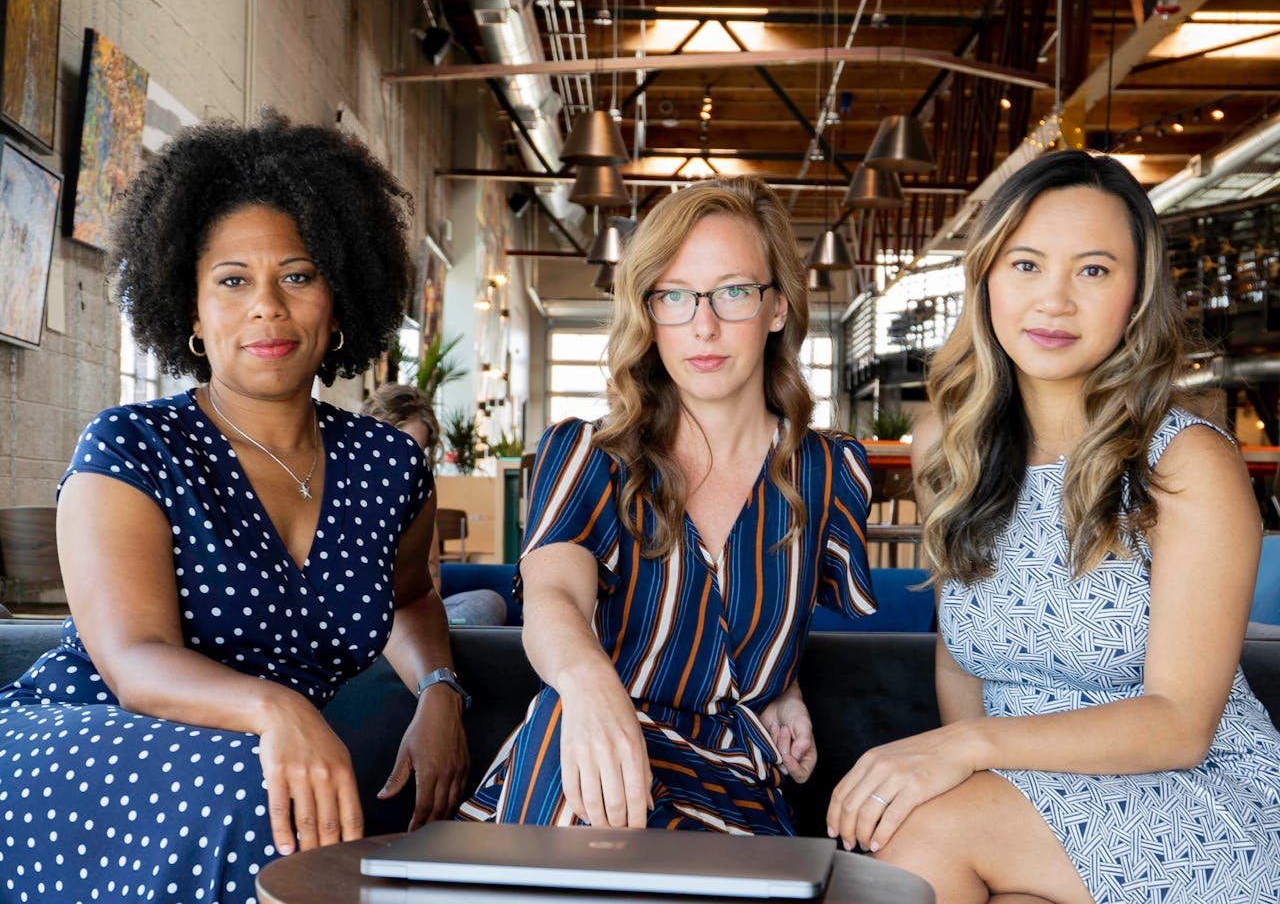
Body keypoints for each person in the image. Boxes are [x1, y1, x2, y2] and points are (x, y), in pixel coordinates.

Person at [0, 113, 468, 903]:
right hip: (86, 741)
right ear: (188, 310)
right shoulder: (132, 446)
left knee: (273, 789)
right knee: (264, 791)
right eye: (232, 279)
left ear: (341, 296)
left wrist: (440, 690)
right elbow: (133, 660)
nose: (267, 307)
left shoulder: (388, 464)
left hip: (251, 755)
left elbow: (411, 598)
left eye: (298, 274)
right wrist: (275, 709)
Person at [826, 150, 1280, 902]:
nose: (1055, 301)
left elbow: (1179, 723)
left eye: (1094, 270)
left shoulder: (1188, 463)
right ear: (988, 279)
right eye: (1027, 264)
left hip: (1195, 800)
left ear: (1137, 294)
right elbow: (961, 663)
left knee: (920, 831)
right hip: (1024, 811)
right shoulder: (951, 447)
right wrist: (972, 769)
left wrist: (961, 752)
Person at [458, 175, 876, 834]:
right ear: (648, 314)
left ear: (776, 307)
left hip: (736, 784)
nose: (703, 325)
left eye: (732, 292)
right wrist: (589, 687)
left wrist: (783, 687)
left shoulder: (830, 471)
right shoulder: (590, 454)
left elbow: (753, 631)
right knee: (574, 781)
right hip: (594, 747)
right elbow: (553, 598)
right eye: (674, 296)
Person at [361, 383, 508, 625]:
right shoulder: (341, 482)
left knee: (487, 603)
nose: (406, 462)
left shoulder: (419, 491)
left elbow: (432, 585)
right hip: (356, 620)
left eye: (417, 452)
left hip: (411, 620)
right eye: (398, 447)